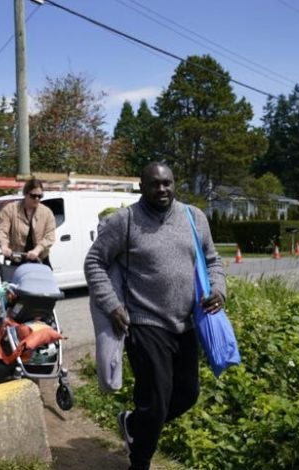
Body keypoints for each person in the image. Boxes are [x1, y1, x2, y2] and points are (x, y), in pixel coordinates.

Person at [84, 162, 226, 470]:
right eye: (154, 184)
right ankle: (140, 461)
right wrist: (112, 305)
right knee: (157, 399)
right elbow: (94, 262)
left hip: (186, 323)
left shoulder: (194, 217)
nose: (162, 189)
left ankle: (134, 425)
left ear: (175, 184)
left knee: (187, 394)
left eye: (167, 183)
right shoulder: (126, 220)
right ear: (141, 186)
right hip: (145, 323)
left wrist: (219, 289)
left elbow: (213, 261)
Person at [0, 178, 56, 267]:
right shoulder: (10, 209)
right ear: (25, 194)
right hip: (18, 259)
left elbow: (50, 236)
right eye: (33, 196)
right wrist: (4, 246)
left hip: (40, 259)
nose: (37, 199)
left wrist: (38, 249)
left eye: (40, 196)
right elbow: (1, 230)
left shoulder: (46, 212)